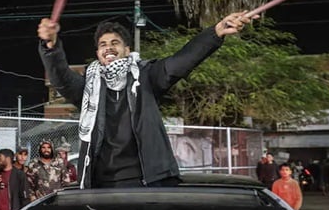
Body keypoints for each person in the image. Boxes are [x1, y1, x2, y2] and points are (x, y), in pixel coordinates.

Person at [37, 12, 252, 188]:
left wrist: (215, 32)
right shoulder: (88, 86)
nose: (108, 47)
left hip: (148, 180)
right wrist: (51, 46)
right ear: (98, 53)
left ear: (127, 50)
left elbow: (180, 62)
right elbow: (61, 79)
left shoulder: (146, 76)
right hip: (101, 184)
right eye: (103, 44)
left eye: (115, 43)